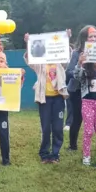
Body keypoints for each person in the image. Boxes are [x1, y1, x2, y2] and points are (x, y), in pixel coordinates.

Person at [24, 32, 69, 164]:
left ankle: (55, 154)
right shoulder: (40, 63)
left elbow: (68, 56)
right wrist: (28, 43)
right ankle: (44, 153)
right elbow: (29, 59)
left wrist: (67, 38)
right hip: (44, 99)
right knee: (46, 128)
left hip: (58, 99)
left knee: (57, 127)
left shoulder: (60, 63)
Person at [65, 25, 96, 150]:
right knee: (77, 118)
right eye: (91, 37)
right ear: (84, 38)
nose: (93, 39)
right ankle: (72, 145)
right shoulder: (76, 53)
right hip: (78, 91)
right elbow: (68, 73)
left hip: (93, 89)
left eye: (95, 36)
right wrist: (81, 67)